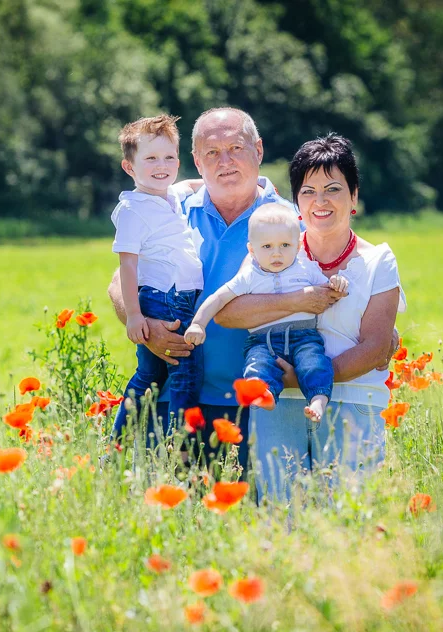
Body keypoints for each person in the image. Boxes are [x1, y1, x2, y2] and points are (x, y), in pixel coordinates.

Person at [108, 107, 306, 472]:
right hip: (174, 399)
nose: (225, 161)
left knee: (249, 517)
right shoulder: (170, 207)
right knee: (171, 519)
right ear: (197, 161)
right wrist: (148, 330)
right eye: (212, 152)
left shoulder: (291, 222)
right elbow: (118, 283)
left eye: (236, 148)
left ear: (258, 151)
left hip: (261, 403)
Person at [215, 134, 406, 500]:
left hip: (354, 401)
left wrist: (306, 379)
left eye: (333, 189)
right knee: (281, 511)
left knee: (349, 517)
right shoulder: (273, 249)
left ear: (354, 196)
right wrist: (300, 300)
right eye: (308, 191)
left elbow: (377, 345)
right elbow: (228, 312)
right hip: (278, 405)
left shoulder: (379, 260)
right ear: (296, 202)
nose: (320, 201)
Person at [184, 203, 348, 422]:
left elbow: (328, 291)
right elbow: (219, 298)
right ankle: (265, 393)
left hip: (304, 336)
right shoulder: (249, 275)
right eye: (267, 246)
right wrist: (198, 324)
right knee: (257, 363)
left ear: (298, 246)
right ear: (252, 250)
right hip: (263, 340)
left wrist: (337, 283)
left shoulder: (305, 267)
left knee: (314, 362)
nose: (277, 253)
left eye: (285, 245)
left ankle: (318, 399)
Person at [109, 114, 204, 439]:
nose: (161, 165)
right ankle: (180, 449)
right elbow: (128, 266)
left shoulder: (169, 194)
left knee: (149, 376)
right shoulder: (134, 209)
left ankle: (117, 445)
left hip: (177, 297)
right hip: (165, 300)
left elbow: (191, 184)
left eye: (169, 157)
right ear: (129, 167)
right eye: (150, 158)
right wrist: (134, 316)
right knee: (186, 374)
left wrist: (252, 181)